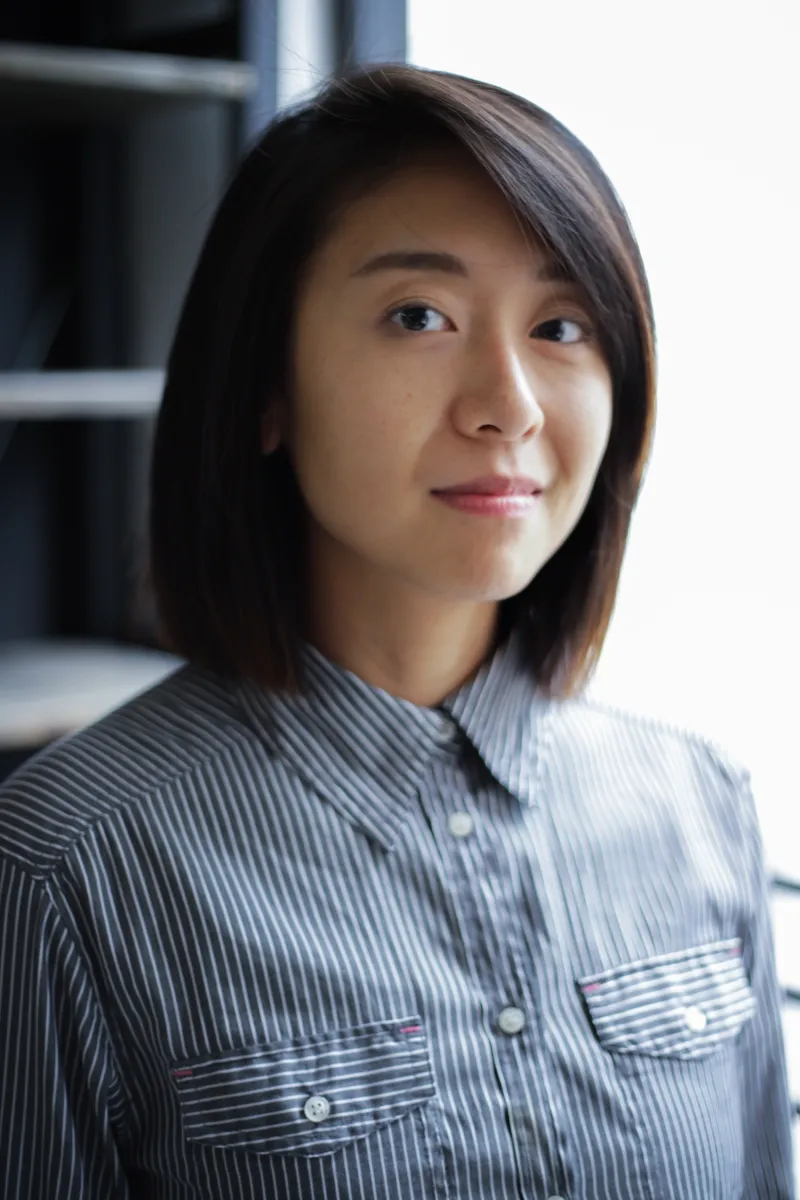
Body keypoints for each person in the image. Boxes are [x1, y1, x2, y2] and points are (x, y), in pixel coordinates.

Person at [0, 63, 793, 1200]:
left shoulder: (697, 805)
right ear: (264, 386)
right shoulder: (66, 868)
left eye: (561, 325)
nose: (507, 402)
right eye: (417, 315)